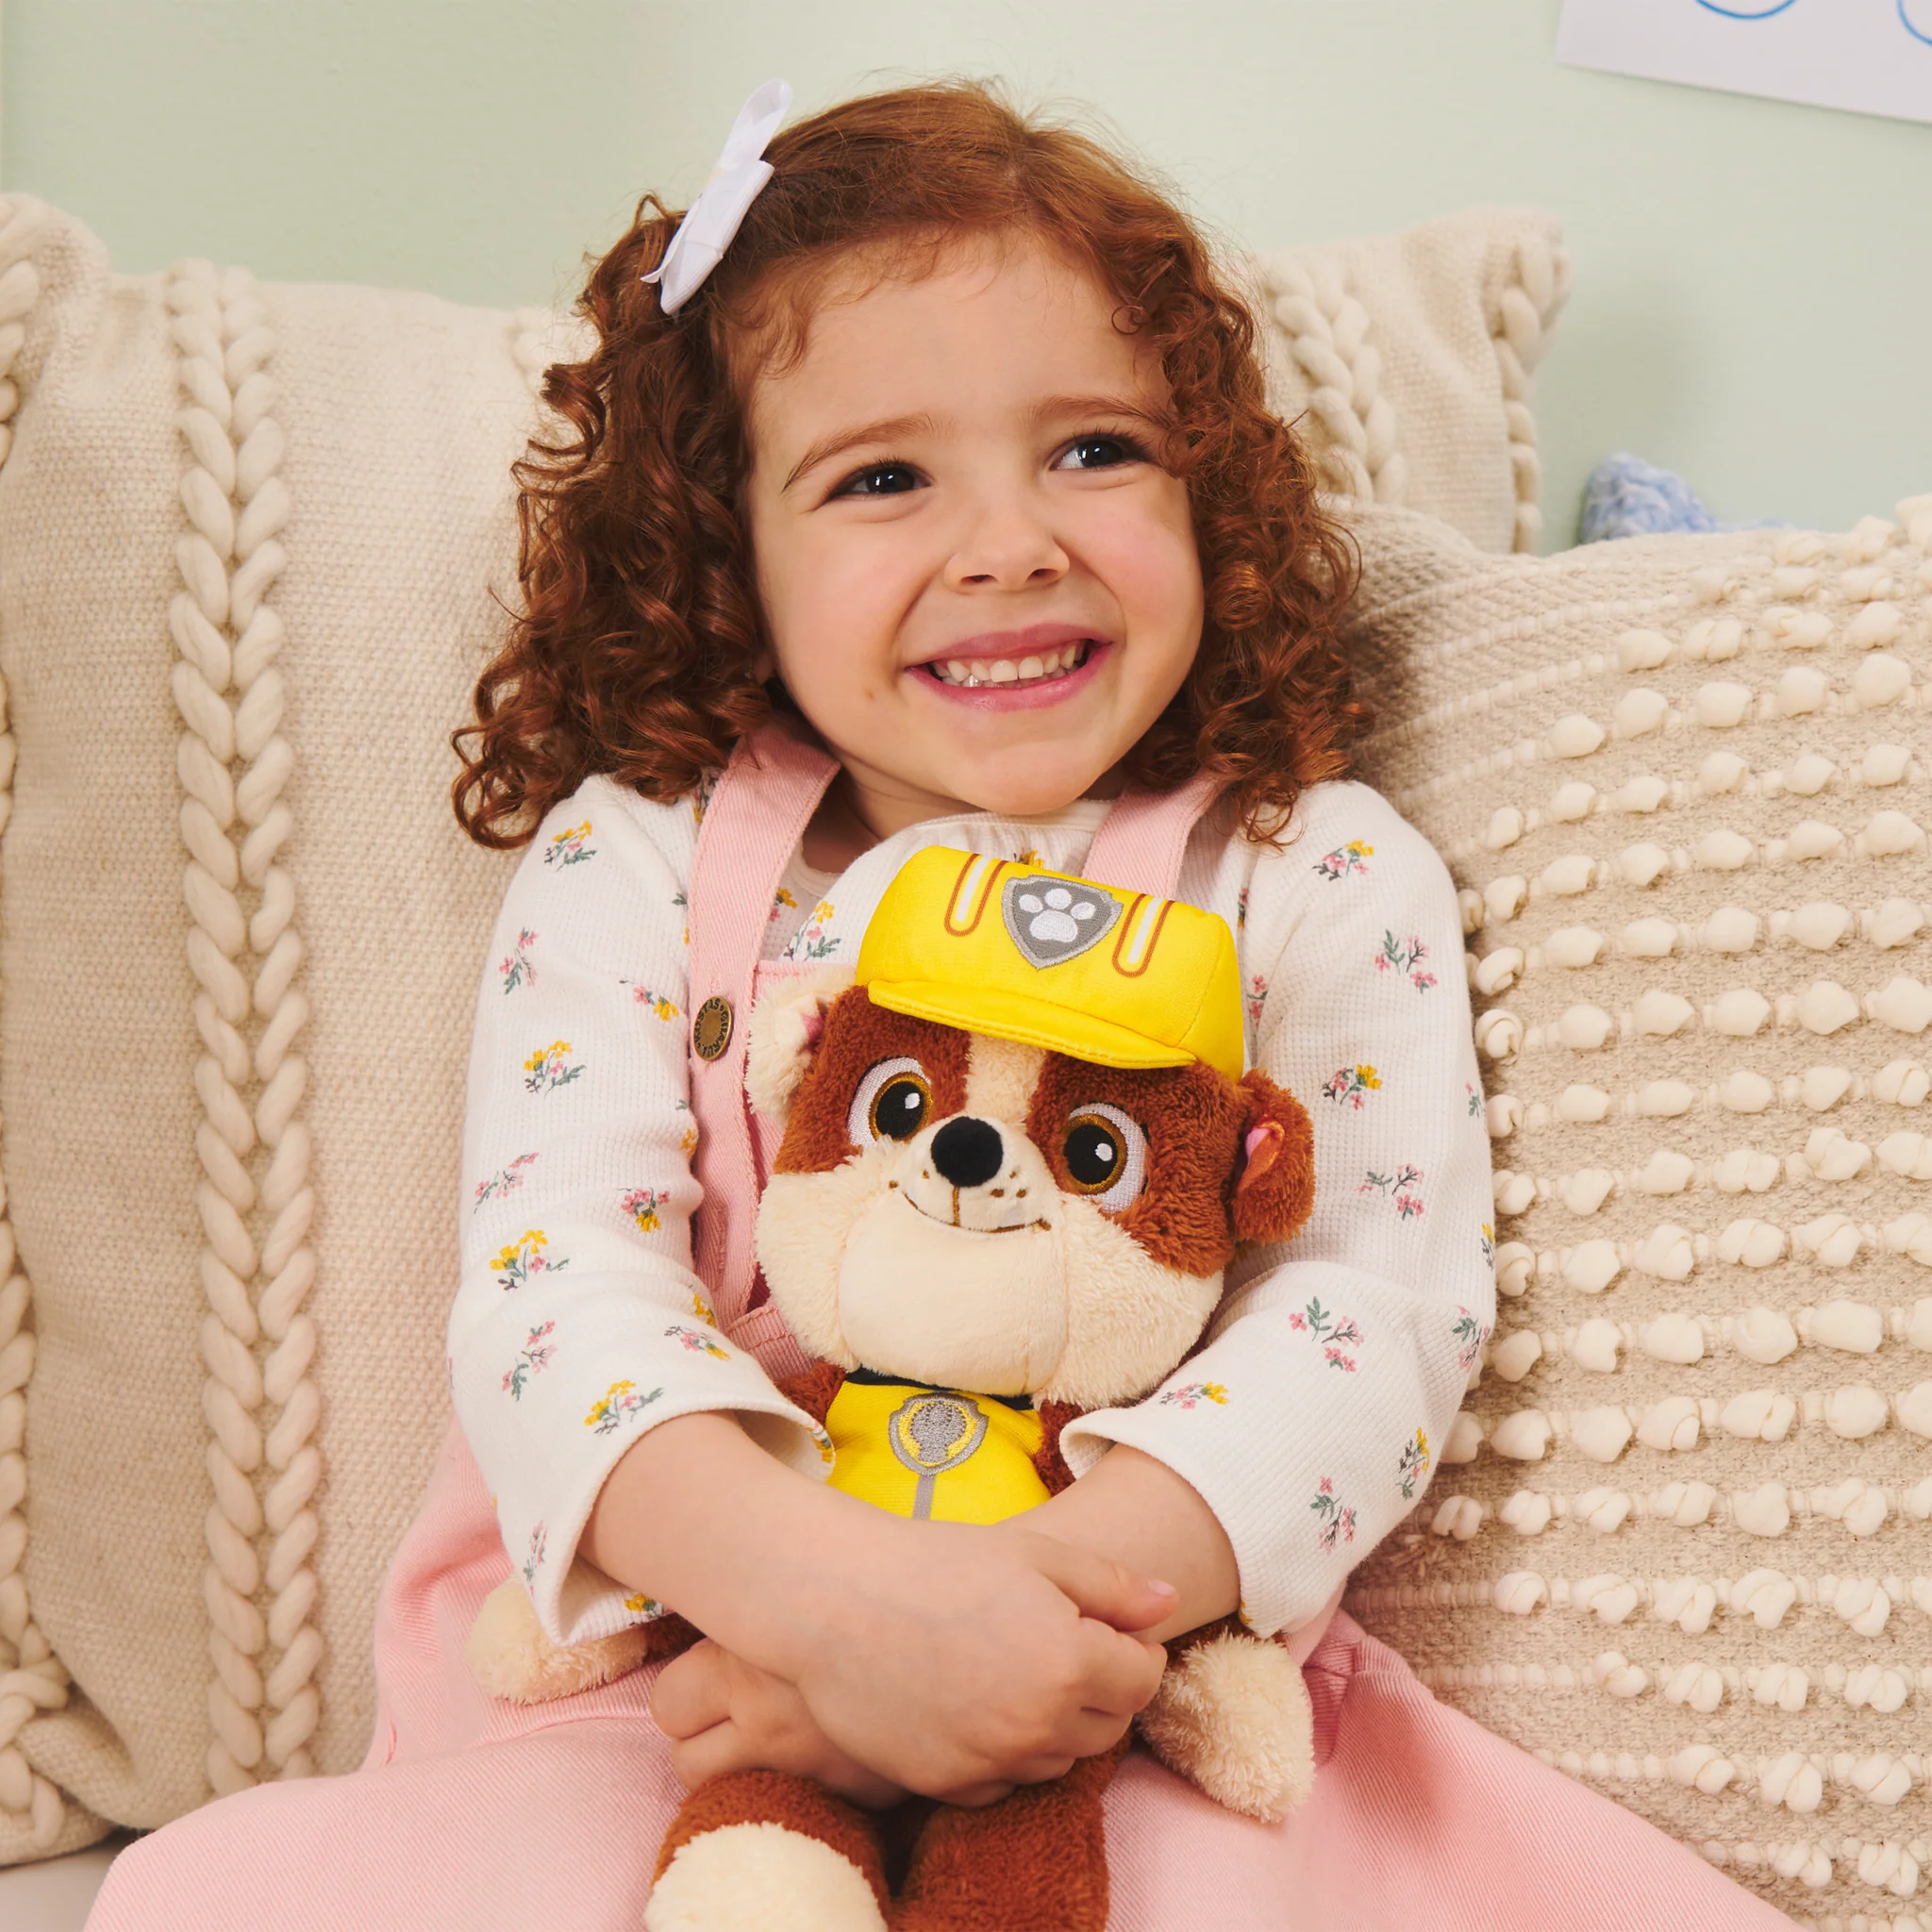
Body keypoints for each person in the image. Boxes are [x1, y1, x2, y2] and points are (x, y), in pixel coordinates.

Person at [91, 78, 1795, 1931]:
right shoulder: (636, 859)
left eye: (1095, 451)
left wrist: (1025, 1625)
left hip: (1133, 1673)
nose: (1011, 544)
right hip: (681, 1664)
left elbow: (1366, 1314)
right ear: (722, 548)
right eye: (883, 478)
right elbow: (552, 1288)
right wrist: (837, 1619)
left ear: (1208, 493)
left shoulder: (1309, 867)